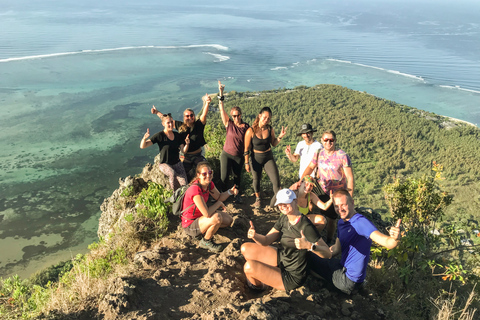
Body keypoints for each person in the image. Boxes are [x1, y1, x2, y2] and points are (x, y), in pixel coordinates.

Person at [305, 189, 401, 294]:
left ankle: (332, 286)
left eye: (343, 205)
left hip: (348, 280)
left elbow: (388, 242)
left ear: (352, 202)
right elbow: (336, 249)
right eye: (336, 206)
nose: (339, 209)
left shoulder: (361, 223)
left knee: (308, 259)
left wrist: (395, 239)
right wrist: (318, 250)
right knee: (317, 258)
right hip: (344, 268)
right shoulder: (342, 222)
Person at [241, 189, 331, 291]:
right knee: (245, 248)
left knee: (249, 267)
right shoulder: (284, 218)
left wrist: (309, 246)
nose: (282, 205)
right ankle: (266, 276)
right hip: (283, 259)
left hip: (292, 275)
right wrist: (254, 236)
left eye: (286, 202)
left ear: (295, 201)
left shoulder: (306, 226)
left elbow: (328, 253)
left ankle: (260, 288)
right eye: (280, 203)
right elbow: (266, 240)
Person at [301, 130, 354, 244]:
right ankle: (307, 218)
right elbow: (311, 167)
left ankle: (329, 241)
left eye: (331, 140)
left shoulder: (342, 156)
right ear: (322, 140)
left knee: (331, 219)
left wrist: (349, 197)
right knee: (305, 193)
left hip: (336, 192)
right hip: (321, 186)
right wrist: (301, 181)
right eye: (326, 140)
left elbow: (350, 178)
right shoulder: (319, 152)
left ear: (335, 141)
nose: (328, 142)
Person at [181, 161, 238, 253]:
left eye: (210, 172)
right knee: (217, 218)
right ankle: (206, 241)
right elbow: (207, 213)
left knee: (229, 220)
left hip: (200, 218)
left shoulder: (208, 185)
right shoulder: (195, 190)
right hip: (190, 225)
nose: (208, 175)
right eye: (204, 174)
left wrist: (229, 192)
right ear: (198, 175)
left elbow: (219, 196)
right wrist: (218, 204)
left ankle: (208, 228)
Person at [151, 94, 211, 180]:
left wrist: (207, 103)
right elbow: (166, 119)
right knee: (183, 175)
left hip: (198, 155)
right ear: (184, 117)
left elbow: (204, 115)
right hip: (186, 157)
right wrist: (156, 112)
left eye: (191, 115)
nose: (189, 117)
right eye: (187, 116)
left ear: (194, 116)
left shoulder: (199, 125)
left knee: (205, 171)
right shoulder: (180, 125)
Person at [244, 107, 287, 209]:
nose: (266, 120)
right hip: (255, 158)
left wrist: (280, 136)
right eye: (264, 117)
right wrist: (246, 163)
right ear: (259, 116)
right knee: (256, 179)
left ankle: (274, 205)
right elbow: (246, 148)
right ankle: (258, 199)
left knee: (276, 182)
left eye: (268, 118)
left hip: (268, 157)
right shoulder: (250, 131)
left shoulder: (270, 129)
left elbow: (273, 143)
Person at [217, 81, 250, 203]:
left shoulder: (246, 127)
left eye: (237, 115)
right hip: (226, 154)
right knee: (224, 177)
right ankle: (223, 196)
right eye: (234, 116)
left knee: (237, 177)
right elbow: (221, 109)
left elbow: (250, 142)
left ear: (241, 115)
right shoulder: (228, 124)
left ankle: (237, 195)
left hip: (238, 156)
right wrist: (221, 92)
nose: (236, 118)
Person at [140, 114, 190, 191]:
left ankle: (184, 198)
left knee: (184, 184)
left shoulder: (177, 135)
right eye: (168, 123)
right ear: (163, 124)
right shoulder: (160, 136)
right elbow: (143, 146)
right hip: (164, 163)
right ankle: (174, 195)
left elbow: (183, 151)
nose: (170, 124)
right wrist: (144, 139)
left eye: (171, 122)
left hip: (177, 163)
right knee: (172, 173)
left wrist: (187, 144)